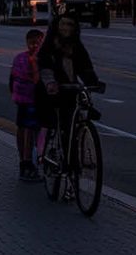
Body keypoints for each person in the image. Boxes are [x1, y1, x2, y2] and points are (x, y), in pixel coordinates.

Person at [36, 14, 104, 154]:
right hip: (51, 91)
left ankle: (72, 160)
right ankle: (46, 153)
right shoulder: (49, 45)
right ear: (57, 26)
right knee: (56, 122)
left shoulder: (77, 47)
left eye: (70, 25)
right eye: (63, 24)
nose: (67, 28)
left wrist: (93, 82)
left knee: (73, 122)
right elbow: (45, 66)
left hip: (70, 89)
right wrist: (50, 83)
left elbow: (85, 67)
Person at [9, 28, 44, 180]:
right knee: (28, 129)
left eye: (38, 43)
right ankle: (27, 161)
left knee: (25, 129)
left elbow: (12, 79)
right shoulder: (27, 59)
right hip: (28, 99)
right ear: (27, 43)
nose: (35, 46)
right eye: (32, 43)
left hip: (24, 99)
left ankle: (26, 160)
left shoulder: (21, 58)